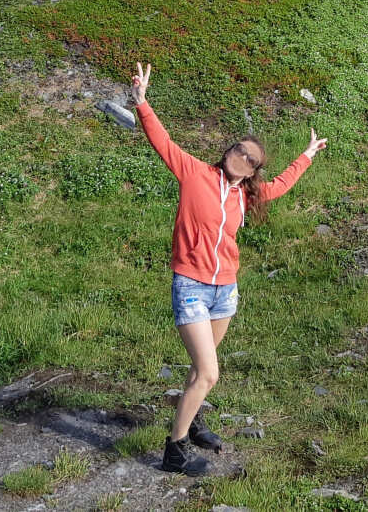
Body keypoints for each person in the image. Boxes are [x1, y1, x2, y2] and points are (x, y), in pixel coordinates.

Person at [130, 61, 327, 475]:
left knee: (201, 368)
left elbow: (282, 185)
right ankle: (175, 448)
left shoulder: (247, 197)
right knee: (208, 371)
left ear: (255, 169)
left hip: (225, 290)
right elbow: (162, 141)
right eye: (238, 149)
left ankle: (193, 418)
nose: (241, 156)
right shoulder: (194, 173)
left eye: (250, 158)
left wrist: (306, 156)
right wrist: (142, 102)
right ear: (228, 151)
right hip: (191, 285)